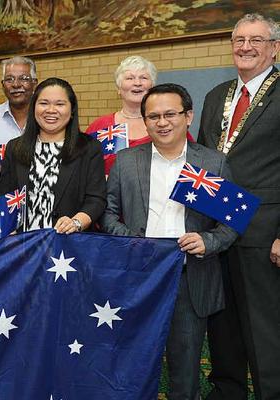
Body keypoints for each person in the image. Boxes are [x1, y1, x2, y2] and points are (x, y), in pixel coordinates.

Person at [101, 83, 237, 400]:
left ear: (188, 116)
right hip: (138, 277)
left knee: (184, 367)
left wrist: (209, 240)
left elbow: (231, 222)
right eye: (154, 116)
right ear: (145, 121)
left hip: (189, 280)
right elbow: (107, 214)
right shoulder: (126, 161)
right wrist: (131, 240)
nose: (162, 122)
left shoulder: (210, 164)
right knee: (130, 362)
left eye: (170, 114)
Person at [198, 13, 280, 400]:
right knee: (222, 321)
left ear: (275, 48)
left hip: (264, 230)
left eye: (257, 40)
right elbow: (201, 160)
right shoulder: (217, 96)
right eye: (239, 40)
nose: (246, 47)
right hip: (217, 227)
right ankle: (226, 392)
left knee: (264, 325)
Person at [0, 77, 106, 234]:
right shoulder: (15, 147)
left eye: (60, 104)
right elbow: (2, 197)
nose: (51, 110)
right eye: (44, 103)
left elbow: (96, 199)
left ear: (72, 110)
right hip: (23, 245)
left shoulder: (89, 147)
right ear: (34, 108)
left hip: (69, 246)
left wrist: (76, 222)